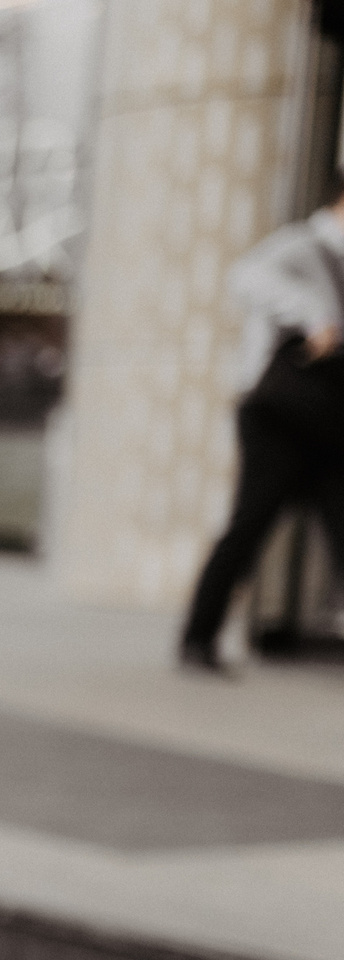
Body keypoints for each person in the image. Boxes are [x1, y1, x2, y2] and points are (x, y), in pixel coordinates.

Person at [180, 182, 344, 672]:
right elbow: (245, 276)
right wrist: (316, 315)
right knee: (249, 524)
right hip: (278, 417)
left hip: (330, 422)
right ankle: (198, 638)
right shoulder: (304, 246)